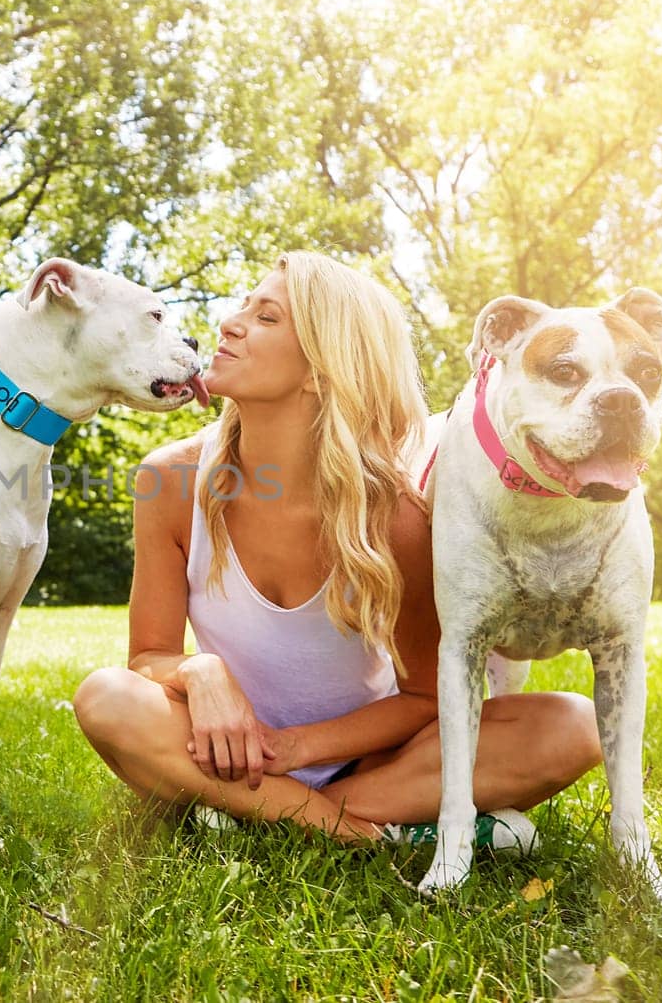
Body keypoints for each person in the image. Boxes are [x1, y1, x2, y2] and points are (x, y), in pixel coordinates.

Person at [73, 251, 602, 844]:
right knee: (108, 698)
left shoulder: (396, 516)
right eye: (245, 307)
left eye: (267, 317)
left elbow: (429, 696)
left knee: (575, 725)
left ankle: (258, 815)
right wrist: (201, 671)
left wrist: (298, 747)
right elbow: (147, 658)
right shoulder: (170, 481)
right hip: (219, 749)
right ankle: (371, 834)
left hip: (369, 763)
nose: (229, 323)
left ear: (322, 369)